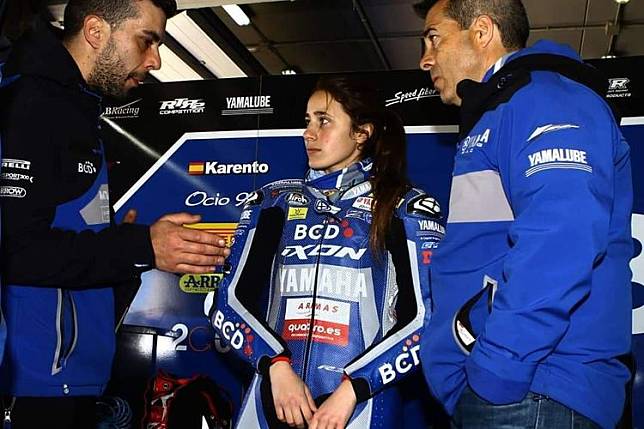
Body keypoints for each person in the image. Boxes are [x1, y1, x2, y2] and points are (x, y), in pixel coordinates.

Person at [0, 0, 230, 427]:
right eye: (147, 41)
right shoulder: (31, 103)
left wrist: (124, 251)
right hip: (31, 383)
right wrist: (138, 246)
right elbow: (15, 250)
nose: (155, 61)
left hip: (70, 378)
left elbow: (58, 232)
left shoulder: (76, 107)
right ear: (95, 31)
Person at [414, 0, 633, 428]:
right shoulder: (502, 110)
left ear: (482, 31)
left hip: (534, 388)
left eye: (434, 38)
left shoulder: (545, 97)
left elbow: (562, 237)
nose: (425, 59)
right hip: (509, 388)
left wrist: (497, 368)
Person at [205, 76, 444, 429]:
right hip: (271, 397)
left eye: (324, 121)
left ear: (361, 133)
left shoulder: (405, 207)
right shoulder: (272, 202)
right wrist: (276, 366)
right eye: (307, 121)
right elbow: (225, 301)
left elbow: (427, 317)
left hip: (362, 406)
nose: (308, 133)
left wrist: (352, 390)